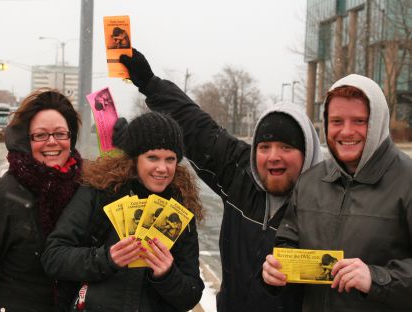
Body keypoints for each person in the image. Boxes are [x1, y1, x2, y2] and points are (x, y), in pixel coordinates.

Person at [118, 49, 323, 312]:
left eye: (286, 147)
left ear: (306, 153)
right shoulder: (240, 175)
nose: (274, 157)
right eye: (265, 147)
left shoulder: (327, 203)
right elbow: (197, 127)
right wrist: (149, 83)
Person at [262, 74, 412, 311]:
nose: (347, 131)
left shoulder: (407, 180)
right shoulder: (310, 181)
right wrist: (276, 272)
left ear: (379, 122)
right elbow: (288, 241)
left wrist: (376, 278)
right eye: (337, 121)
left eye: (360, 121)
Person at [41, 112, 205, 311]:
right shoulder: (99, 192)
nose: (162, 168)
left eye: (170, 159)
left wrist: (168, 275)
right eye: (152, 158)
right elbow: (54, 257)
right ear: (134, 159)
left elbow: (191, 294)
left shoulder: (180, 209)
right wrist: (106, 259)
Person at [0, 89, 83, 311]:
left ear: (71, 138)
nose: (52, 142)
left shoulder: (84, 190)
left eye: (60, 133)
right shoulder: (0, 196)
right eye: (41, 135)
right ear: (26, 140)